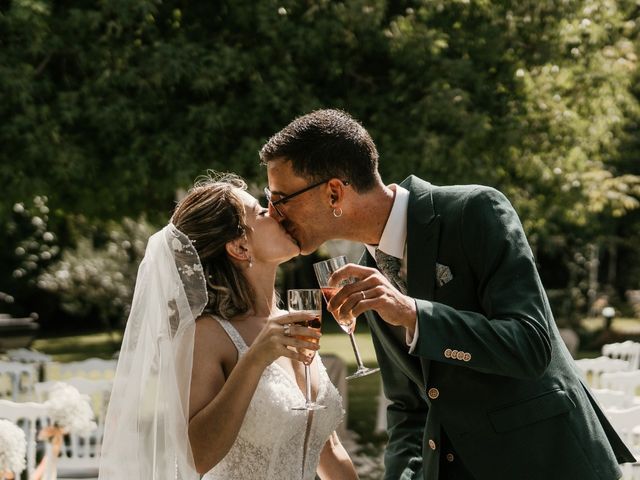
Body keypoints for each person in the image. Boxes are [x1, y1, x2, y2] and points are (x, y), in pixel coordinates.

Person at [259, 109, 635, 480]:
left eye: (281, 198)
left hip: (550, 465)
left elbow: (531, 346)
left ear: (334, 192)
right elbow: (408, 406)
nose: (274, 212)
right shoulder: (367, 271)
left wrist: (415, 315)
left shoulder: (475, 210)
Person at [98, 174, 358, 480]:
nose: (276, 212)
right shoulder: (208, 335)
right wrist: (255, 359)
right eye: (261, 212)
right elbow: (197, 458)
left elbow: (326, 447)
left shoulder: (294, 321)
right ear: (239, 247)